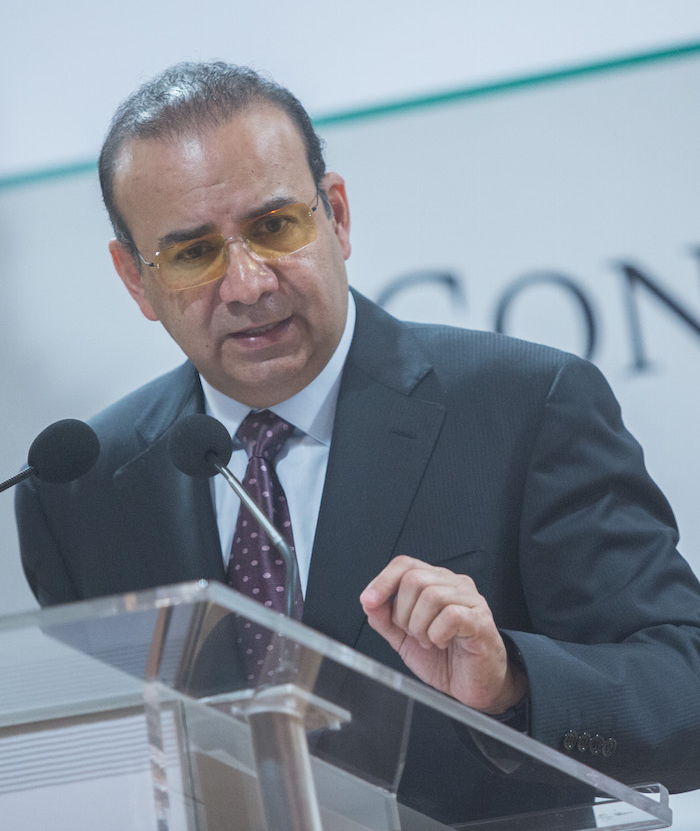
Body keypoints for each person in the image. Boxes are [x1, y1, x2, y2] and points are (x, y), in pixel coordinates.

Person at [15, 61, 700, 825]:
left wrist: (511, 681)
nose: (247, 284)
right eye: (192, 252)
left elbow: (686, 690)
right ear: (135, 279)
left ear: (335, 216)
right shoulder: (78, 490)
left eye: (275, 227)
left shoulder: (523, 405)